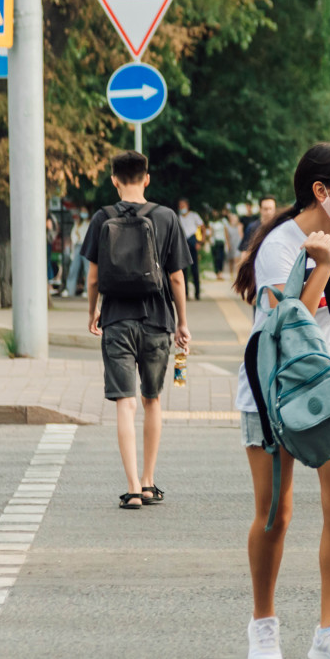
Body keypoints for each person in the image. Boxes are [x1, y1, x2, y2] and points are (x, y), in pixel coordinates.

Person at [233, 144, 330, 659]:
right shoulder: (281, 245)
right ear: (322, 191)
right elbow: (285, 321)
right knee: (275, 512)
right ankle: (263, 625)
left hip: (328, 386)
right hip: (274, 389)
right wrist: (318, 263)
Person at [82, 151, 193, 509]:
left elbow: (94, 277)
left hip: (117, 319)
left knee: (124, 404)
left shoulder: (102, 218)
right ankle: (148, 482)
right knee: (152, 399)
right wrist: (183, 323)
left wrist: (93, 312)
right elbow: (177, 277)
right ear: (147, 178)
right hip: (158, 320)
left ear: (114, 179)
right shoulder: (166, 217)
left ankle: (131, 489)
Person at [177, 198, 205, 300]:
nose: (181, 207)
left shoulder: (194, 215)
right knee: (184, 270)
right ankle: (186, 294)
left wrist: (201, 241)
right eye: (180, 205)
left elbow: (202, 227)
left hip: (193, 240)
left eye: (183, 205)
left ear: (187, 206)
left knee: (195, 269)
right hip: (184, 242)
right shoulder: (178, 217)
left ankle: (197, 293)